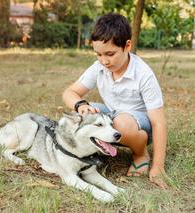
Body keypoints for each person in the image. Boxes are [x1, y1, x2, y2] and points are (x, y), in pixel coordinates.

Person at [62, 13, 168, 189]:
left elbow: (159, 123)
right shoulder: (99, 67)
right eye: (98, 54)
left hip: (138, 125)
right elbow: (70, 92)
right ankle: (85, 154)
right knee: (79, 117)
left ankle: (141, 155)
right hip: (113, 117)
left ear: (127, 46)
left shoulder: (143, 74)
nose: (103, 61)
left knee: (121, 123)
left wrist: (158, 168)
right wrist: (81, 105)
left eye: (110, 54)